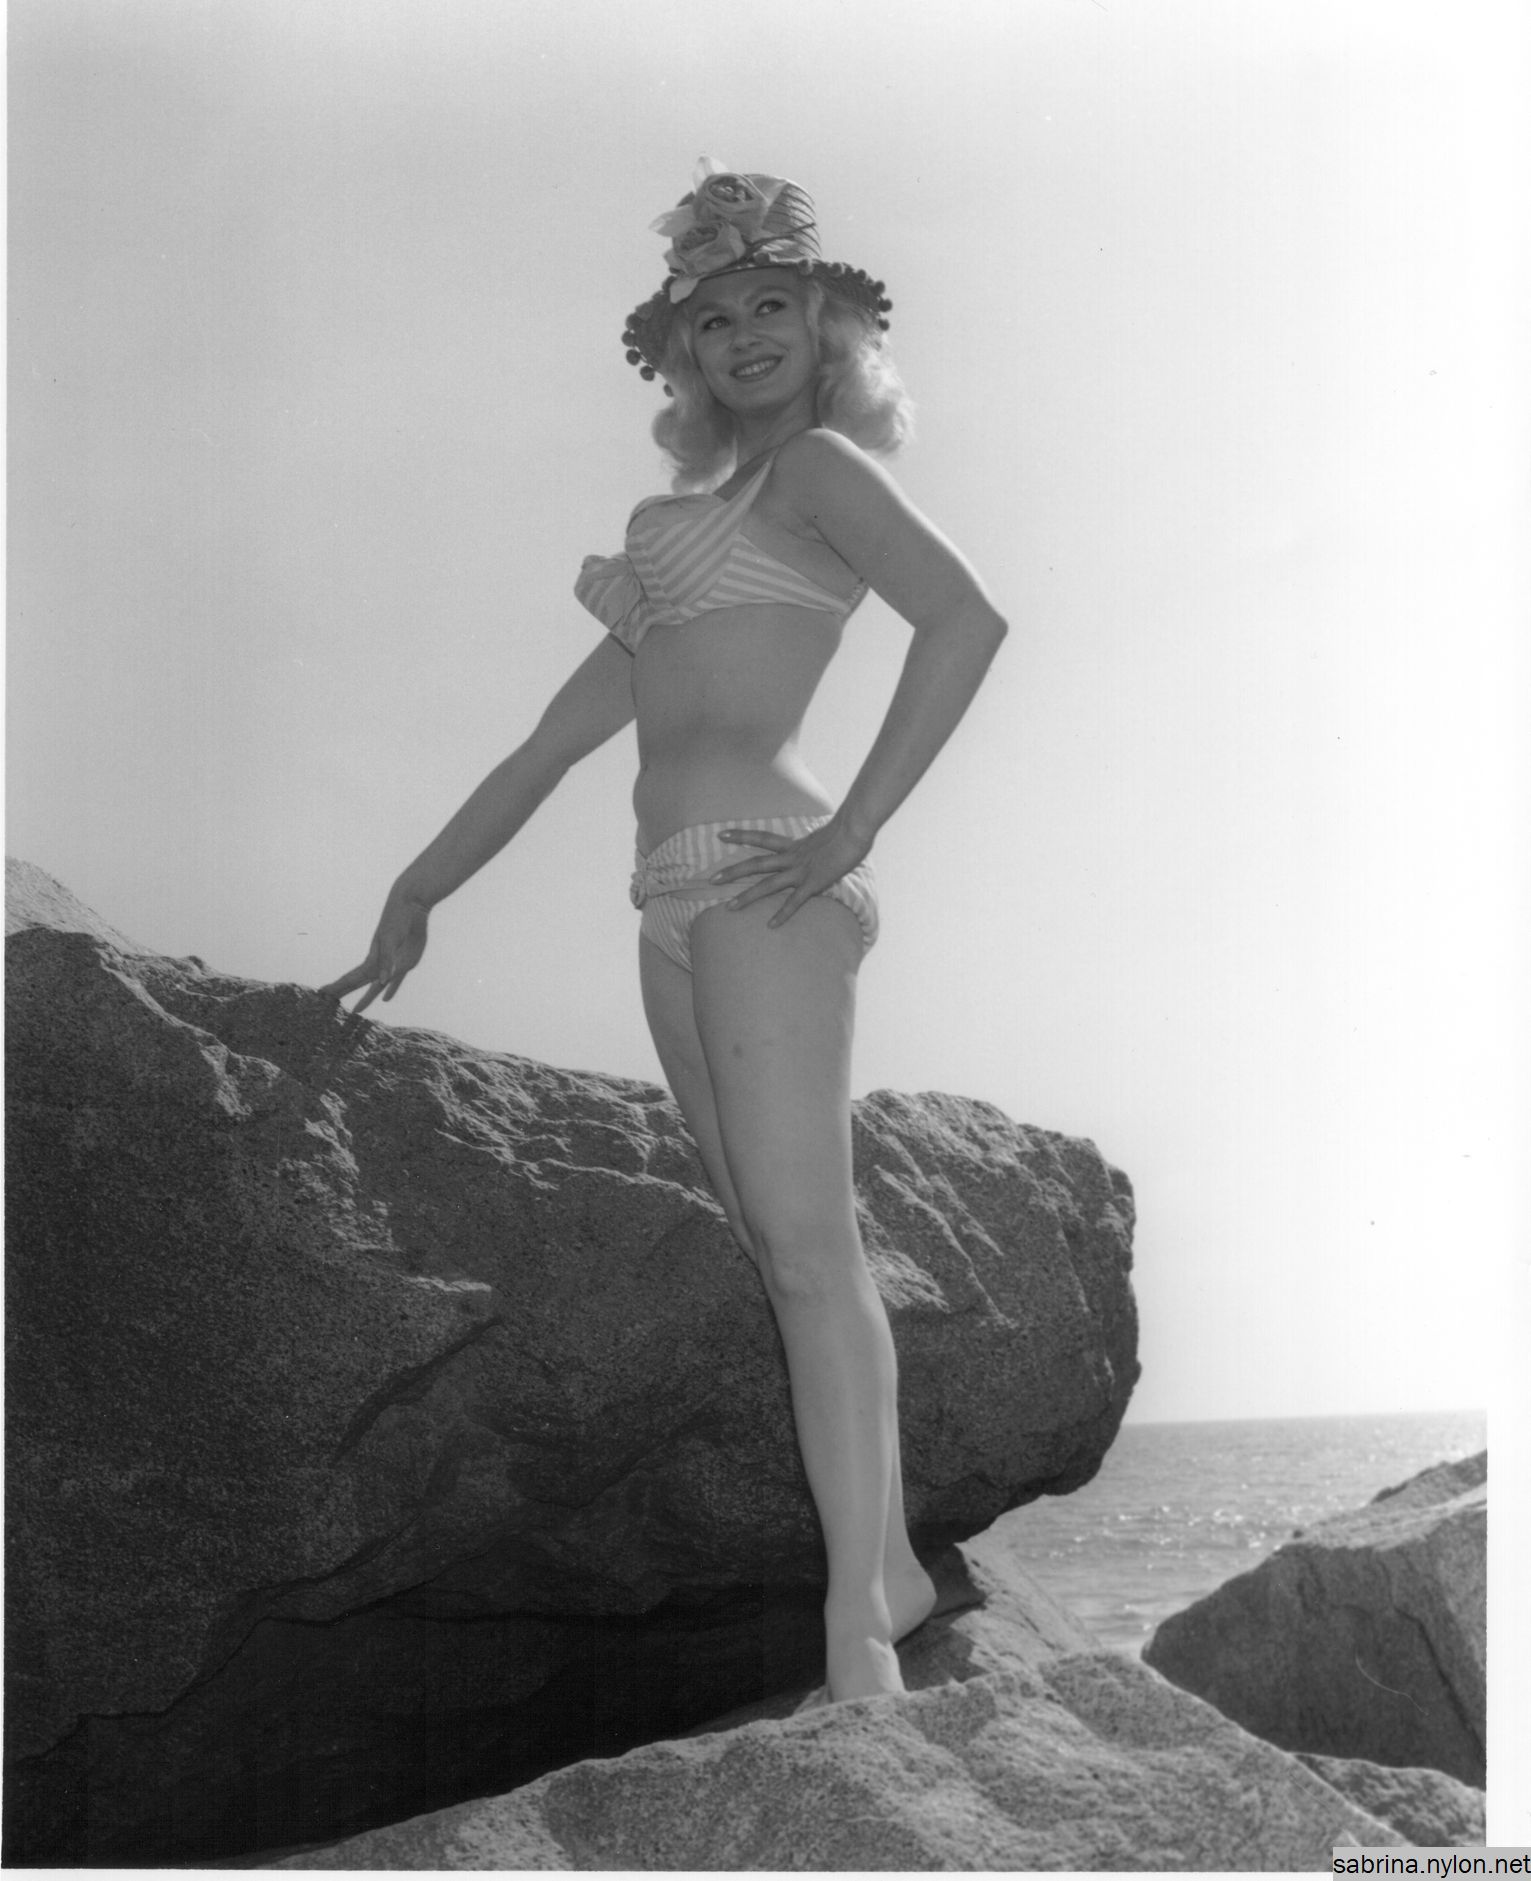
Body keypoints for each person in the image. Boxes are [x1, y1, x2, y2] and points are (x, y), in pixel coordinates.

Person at [323, 161, 1008, 1705]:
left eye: (775, 304)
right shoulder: (673, 535)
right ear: (684, 355)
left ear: (826, 332)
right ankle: (889, 1564)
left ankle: (858, 1626)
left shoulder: (823, 471)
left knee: (813, 1247)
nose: (747, 332)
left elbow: (967, 621)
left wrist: (853, 830)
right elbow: (547, 747)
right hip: (668, 902)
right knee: (780, 1247)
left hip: (773, 875)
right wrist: (420, 885)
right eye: (716, 316)